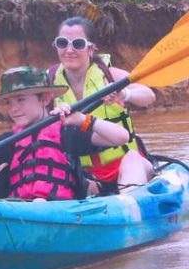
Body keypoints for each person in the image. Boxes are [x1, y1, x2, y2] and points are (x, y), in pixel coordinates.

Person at [0, 66, 130, 201]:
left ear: (45, 99)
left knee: (39, 203)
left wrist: (81, 119)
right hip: (18, 210)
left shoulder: (66, 131)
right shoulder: (9, 141)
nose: (13, 108)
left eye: (21, 100)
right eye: (8, 102)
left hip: (61, 210)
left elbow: (122, 137)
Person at [48, 16, 155, 194]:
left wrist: (124, 94)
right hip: (84, 174)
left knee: (132, 159)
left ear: (91, 49)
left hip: (124, 165)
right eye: (62, 43)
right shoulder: (49, 82)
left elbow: (149, 96)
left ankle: (130, 204)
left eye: (78, 44)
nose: (69, 50)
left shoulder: (110, 75)